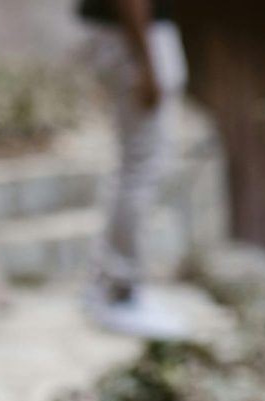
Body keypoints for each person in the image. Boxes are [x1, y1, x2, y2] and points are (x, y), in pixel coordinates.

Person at [77, 0, 189, 339]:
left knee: (134, 168)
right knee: (142, 169)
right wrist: (146, 64)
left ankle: (107, 282)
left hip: (129, 39)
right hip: (135, 41)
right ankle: (120, 291)